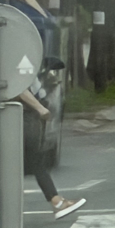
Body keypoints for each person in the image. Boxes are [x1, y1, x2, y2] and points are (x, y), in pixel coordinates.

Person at [17, 88, 84, 220]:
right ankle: (57, 202)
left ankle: (56, 201)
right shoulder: (6, 68)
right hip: (16, 117)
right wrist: (40, 108)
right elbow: (16, 87)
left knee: (33, 162)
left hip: (14, 116)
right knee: (33, 160)